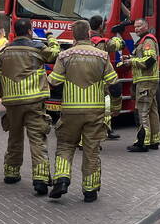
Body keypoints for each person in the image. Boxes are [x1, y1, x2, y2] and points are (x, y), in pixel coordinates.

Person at [47, 20, 119, 202]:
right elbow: (114, 84)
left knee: (65, 145)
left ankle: (62, 179)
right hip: (94, 112)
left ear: (73, 36)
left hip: (70, 112)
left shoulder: (64, 56)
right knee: (91, 149)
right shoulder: (102, 56)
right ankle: (90, 190)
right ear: (88, 33)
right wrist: (115, 107)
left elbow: (53, 81)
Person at [0, 18, 60, 195]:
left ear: (15, 32)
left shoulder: (4, 52)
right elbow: (55, 53)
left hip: (13, 103)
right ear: (30, 31)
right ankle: (40, 179)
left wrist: (4, 96)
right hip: (34, 102)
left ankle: (11, 173)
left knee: (14, 138)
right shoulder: (37, 48)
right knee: (37, 138)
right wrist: (50, 37)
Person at [126, 18, 160, 153]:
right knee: (152, 111)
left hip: (146, 81)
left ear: (146, 26)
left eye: (139, 26)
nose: (136, 29)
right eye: (135, 27)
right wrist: (130, 59)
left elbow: (149, 60)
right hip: (148, 80)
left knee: (142, 111)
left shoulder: (147, 41)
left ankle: (142, 142)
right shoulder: (143, 41)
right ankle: (154, 140)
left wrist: (132, 62)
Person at [89, 15, 126, 141]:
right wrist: (118, 36)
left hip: (85, 77)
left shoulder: (83, 40)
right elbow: (118, 45)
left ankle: (106, 129)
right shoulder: (102, 42)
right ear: (100, 26)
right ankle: (102, 130)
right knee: (105, 104)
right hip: (101, 79)